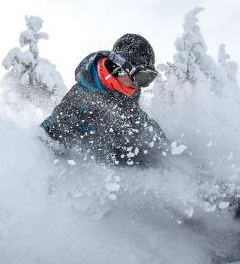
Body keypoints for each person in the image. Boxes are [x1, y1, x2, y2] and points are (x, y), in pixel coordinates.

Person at [40, 33, 169, 167]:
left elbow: (161, 147)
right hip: (91, 177)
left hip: (128, 177)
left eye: (148, 79)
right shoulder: (79, 101)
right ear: (120, 68)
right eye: (142, 76)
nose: (139, 85)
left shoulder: (130, 105)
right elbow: (42, 142)